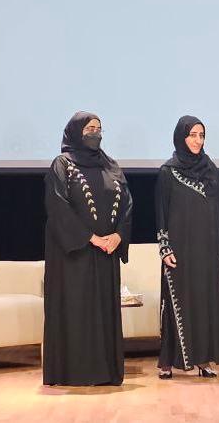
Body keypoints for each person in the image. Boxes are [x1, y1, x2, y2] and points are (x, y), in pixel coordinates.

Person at [43, 111, 133, 386]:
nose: (95, 133)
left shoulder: (111, 165)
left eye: (99, 129)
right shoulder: (62, 164)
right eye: (89, 129)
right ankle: (76, 372)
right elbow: (57, 206)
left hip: (106, 253)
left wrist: (119, 235)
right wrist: (89, 237)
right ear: (75, 132)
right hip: (75, 255)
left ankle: (106, 373)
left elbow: (127, 203)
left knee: (103, 311)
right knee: (77, 310)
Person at [156, 115, 219, 378]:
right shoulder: (168, 172)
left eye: (201, 135)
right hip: (180, 249)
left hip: (208, 247)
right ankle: (168, 362)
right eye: (192, 135)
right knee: (177, 303)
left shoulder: (209, 168)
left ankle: (202, 359)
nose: (198, 140)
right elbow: (161, 212)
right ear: (181, 137)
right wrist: (165, 248)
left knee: (204, 301)